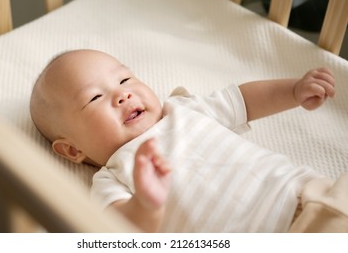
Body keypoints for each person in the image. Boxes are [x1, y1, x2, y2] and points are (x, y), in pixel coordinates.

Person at [30, 49, 348, 233]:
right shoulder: (111, 178)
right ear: (72, 149)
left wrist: (293, 91)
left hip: (305, 196)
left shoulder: (183, 109)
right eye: (96, 97)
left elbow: (245, 99)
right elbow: (125, 231)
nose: (122, 94)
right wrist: (145, 205)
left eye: (125, 79)